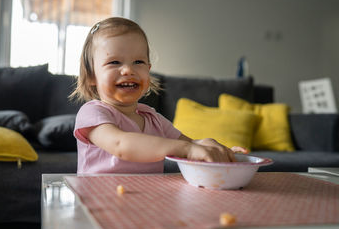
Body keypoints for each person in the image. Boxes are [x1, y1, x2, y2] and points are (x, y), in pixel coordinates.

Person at [70, 17, 247, 174]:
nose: (128, 70)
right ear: (92, 75)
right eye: (114, 62)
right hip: (98, 202)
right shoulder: (92, 113)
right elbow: (121, 145)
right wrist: (187, 149)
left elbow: (191, 144)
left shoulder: (153, 118)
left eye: (138, 62)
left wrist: (217, 149)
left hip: (147, 201)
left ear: (148, 70)